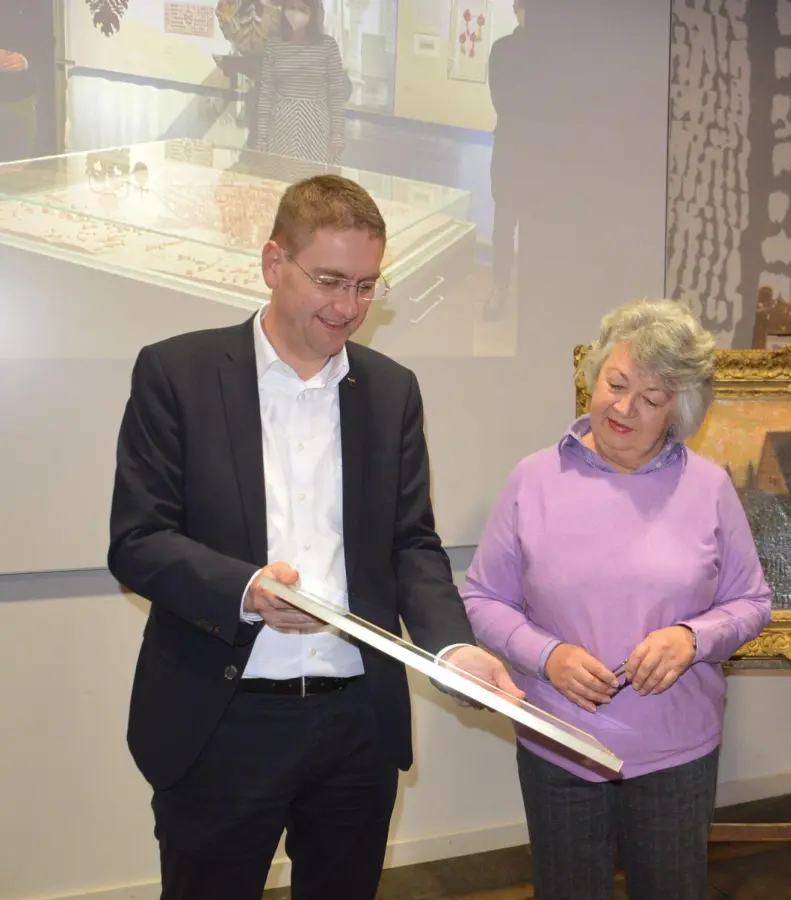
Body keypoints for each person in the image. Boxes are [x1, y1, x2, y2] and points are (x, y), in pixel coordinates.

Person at [107, 173, 522, 900]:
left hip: (356, 720)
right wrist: (245, 590)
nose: (350, 308)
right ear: (274, 264)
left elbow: (410, 546)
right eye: (331, 280)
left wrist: (454, 650)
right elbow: (137, 540)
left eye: (367, 286)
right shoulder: (179, 372)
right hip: (223, 719)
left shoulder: (391, 391)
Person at [462, 298, 773, 899]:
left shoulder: (708, 487)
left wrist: (691, 638)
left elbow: (751, 602)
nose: (624, 408)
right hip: (559, 742)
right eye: (616, 383)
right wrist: (547, 654)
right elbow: (482, 598)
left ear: (678, 414)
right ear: (593, 376)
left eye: (652, 399)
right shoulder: (534, 478)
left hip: (676, 754)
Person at [250, 0, 352, 168]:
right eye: (291, 8)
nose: (296, 13)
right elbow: (266, 93)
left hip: (317, 127)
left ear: (312, 13)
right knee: (282, 183)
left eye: (302, 9)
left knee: (315, 187)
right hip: (282, 126)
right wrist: (261, 137)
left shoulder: (327, 46)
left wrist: (338, 134)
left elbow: (336, 94)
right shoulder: (274, 45)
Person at [485, 0, 535, 312]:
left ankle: (534, 295)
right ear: (516, 9)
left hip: (548, 158)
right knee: (504, 224)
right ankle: (499, 288)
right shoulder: (503, 49)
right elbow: (502, 98)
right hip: (511, 148)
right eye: (523, 5)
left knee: (540, 226)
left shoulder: (558, 54)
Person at [0, 0, 54, 162]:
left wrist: (25, 59)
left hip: (20, 94)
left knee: (17, 160)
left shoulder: (38, 5)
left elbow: (48, 39)